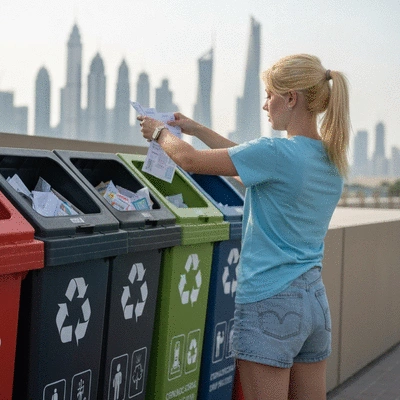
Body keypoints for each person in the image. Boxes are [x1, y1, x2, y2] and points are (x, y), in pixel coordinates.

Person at [138, 53, 350, 400]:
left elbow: (190, 161)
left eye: (270, 95)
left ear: (291, 98)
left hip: (271, 302)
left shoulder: (277, 154)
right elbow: (245, 163)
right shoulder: (330, 160)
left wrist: (160, 133)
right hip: (314, 304)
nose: (266, 105)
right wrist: (196, 129)